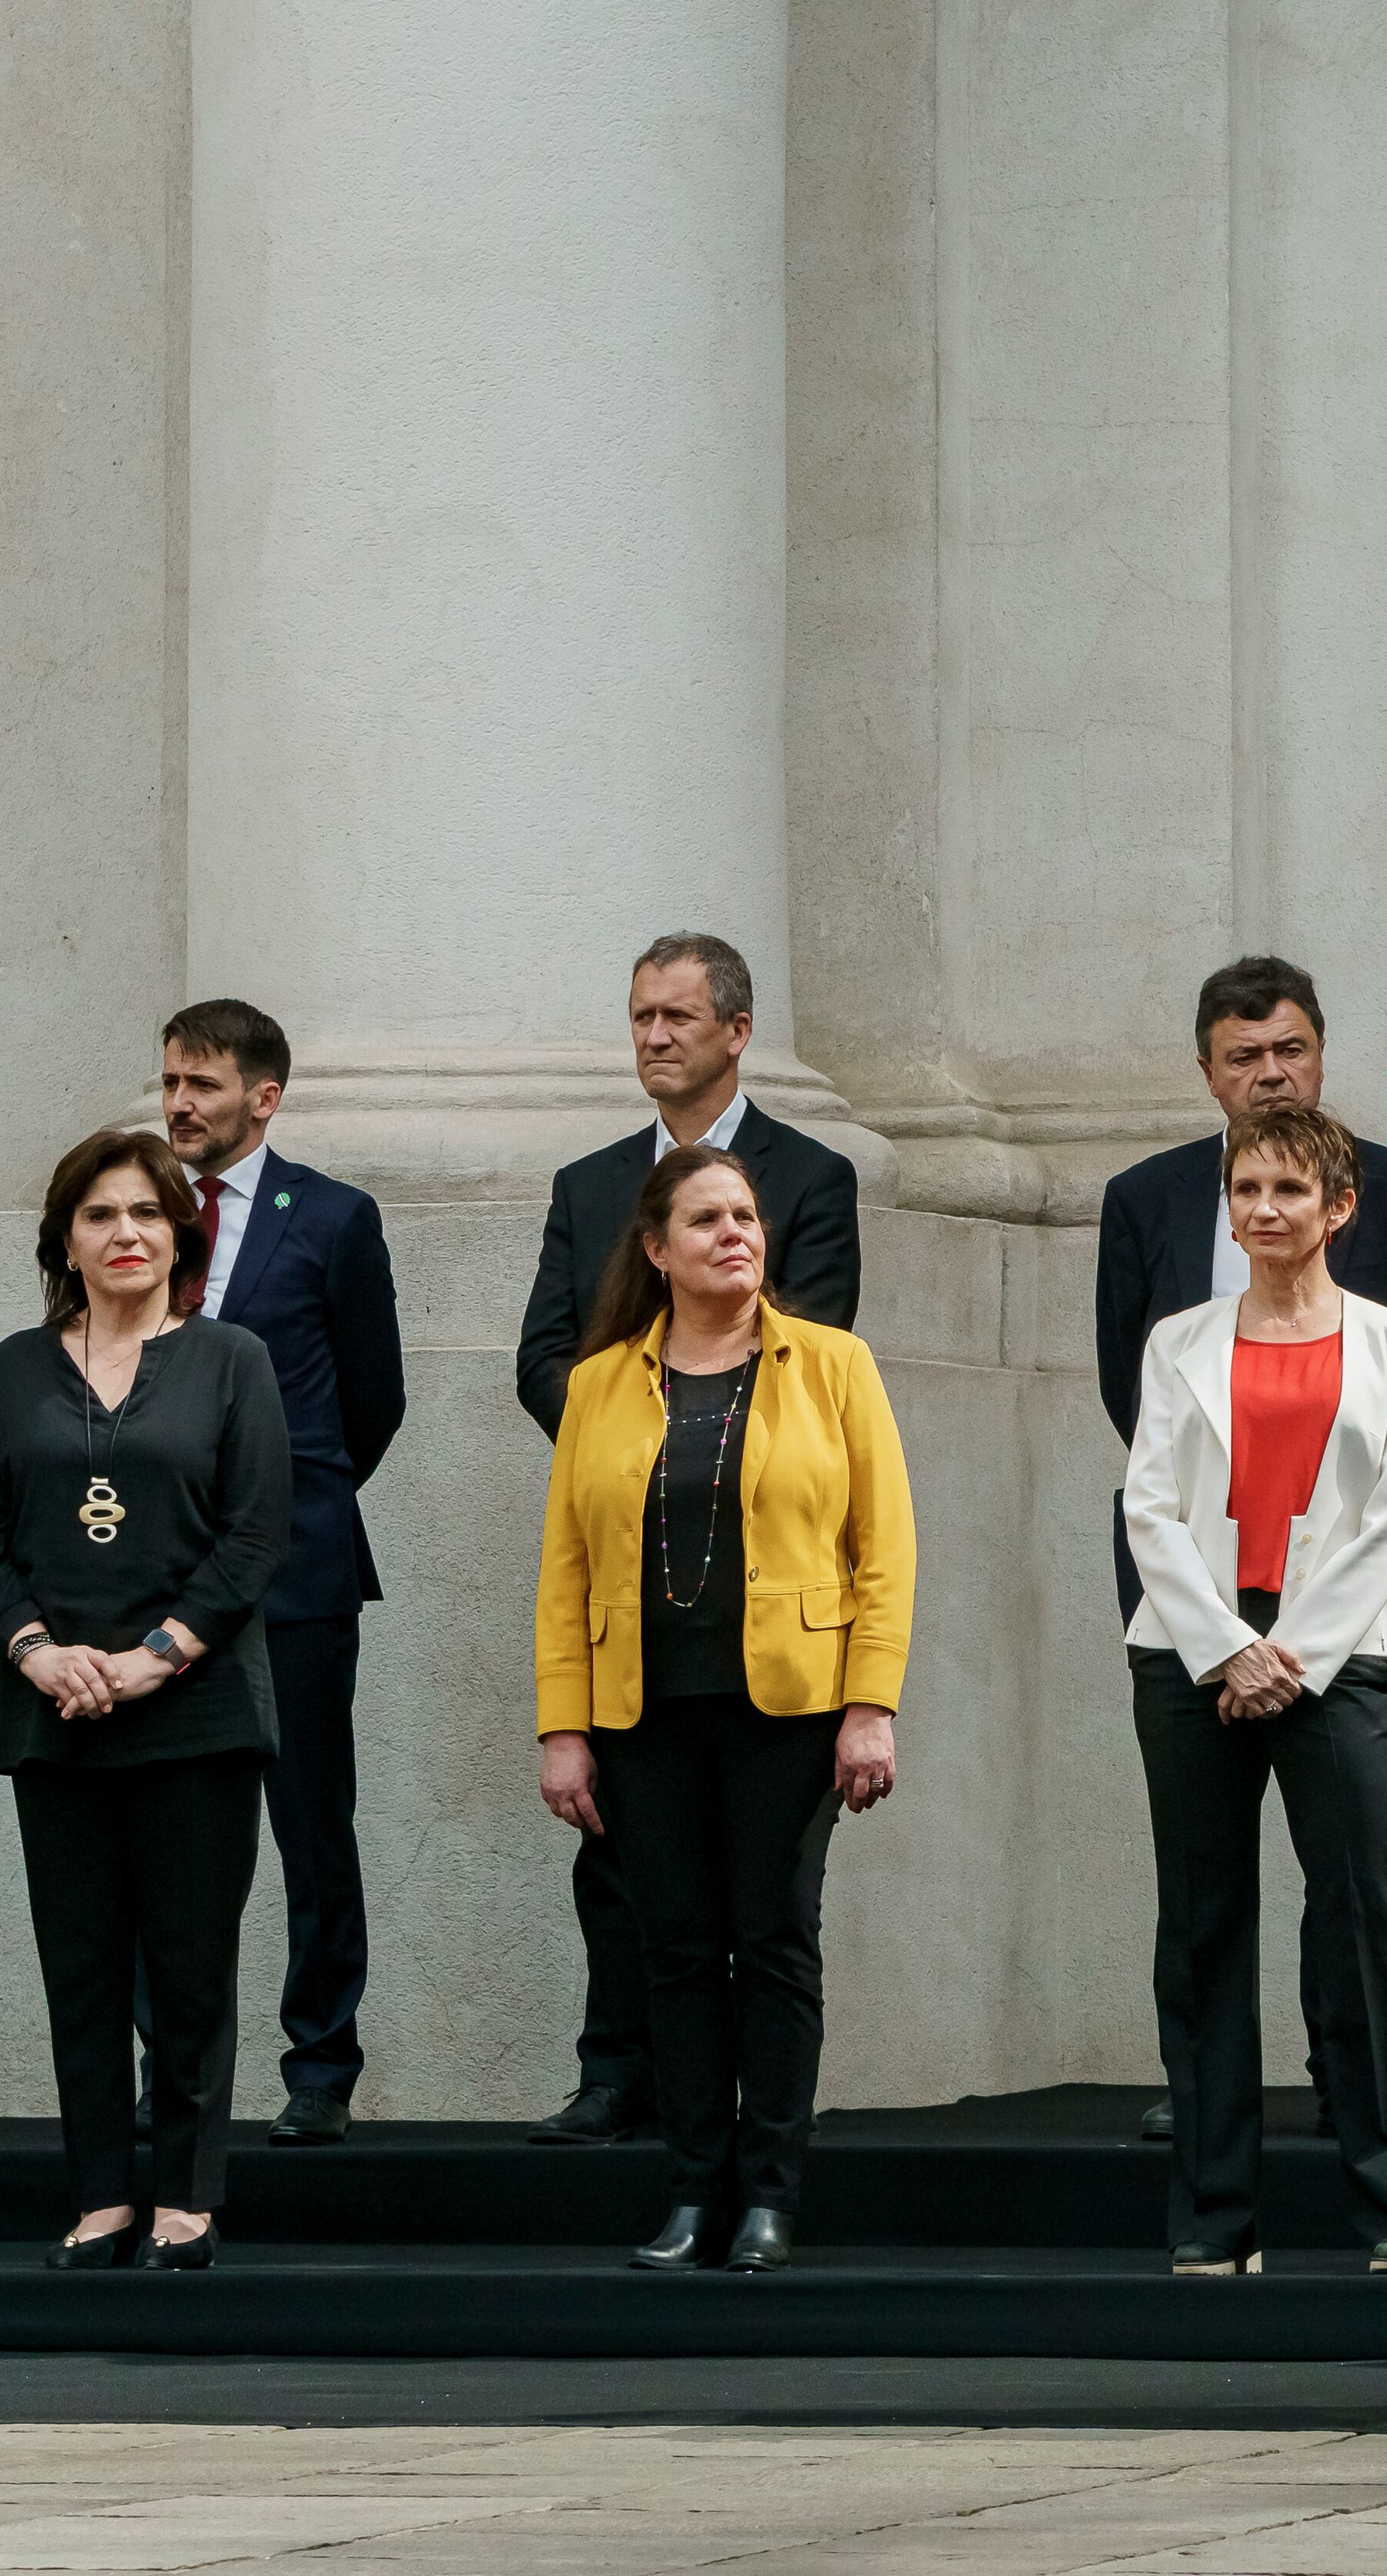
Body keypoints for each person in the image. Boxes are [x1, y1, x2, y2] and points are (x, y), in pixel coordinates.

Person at [1097, 955, 1387, 2149]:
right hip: (1195, 1605)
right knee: (1201, 1901)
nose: (1271, 1072)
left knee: (1356, 1880)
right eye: (1244, 1055)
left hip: (1343, 1613)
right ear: (1207, 1072)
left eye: (1290, 1049)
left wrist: (1297, 1635)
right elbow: (1134, 1400)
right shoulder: (1145, 1198)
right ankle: (1213, 2122)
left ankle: (1354, 2094)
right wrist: (1219, 1628)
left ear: (1321, 1053)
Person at [533, 1145, 913, 2275]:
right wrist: (563, 1726)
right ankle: (695, 2192)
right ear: (657, 1249)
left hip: (791, 1708)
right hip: (642, 1707)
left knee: (775, 1941)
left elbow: (883, 1553)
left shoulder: (834, 1366)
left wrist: (870, 1705)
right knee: (678, 1951)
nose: (736, 1234)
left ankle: (770, 2197)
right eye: (707, 1220)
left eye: (746, 1215)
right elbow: (562, 1567)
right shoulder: (600, 1381)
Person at [518, 932, 865, 2148]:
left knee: (764, 1905)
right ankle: (621, 2071)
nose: (654, 1036)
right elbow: (541, 1357)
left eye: (676, 1015)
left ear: (736, 1031)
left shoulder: (808, 1176)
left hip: (766, 1590)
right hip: (634, 1555)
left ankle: (755, 2161)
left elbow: (806, 1353)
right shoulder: (588, 1183)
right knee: (625, 1866)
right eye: (638, 1017)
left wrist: (704, 1440)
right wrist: (629, 1432)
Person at [0, 1131, 290, 2268]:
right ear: (66, 1238)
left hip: (192, 1714)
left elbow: (253, 1537)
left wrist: (158, 1653)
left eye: (148, 1212)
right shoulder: (14, 1368)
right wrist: (40, 1651)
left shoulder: (232, 1358)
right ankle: (102, 2196)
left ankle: (186, 2197)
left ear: (181, 1234)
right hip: (54, 1713)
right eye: (101, 1214)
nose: (127, 1232)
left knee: (190, 1965)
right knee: (82, 1966)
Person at [153, 1001, 406, 2148]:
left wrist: (286, 1493)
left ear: (265, 1094)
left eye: (202, 1083)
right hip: (155, 1578)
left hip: (298, 1574)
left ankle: (321, 2066)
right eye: (169, 1082)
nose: (179, 1104)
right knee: (172, 1836)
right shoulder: (137, 1217)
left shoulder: (334, 1219)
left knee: (311, 1822)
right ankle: (179, 2077)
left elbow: (372, 1399)